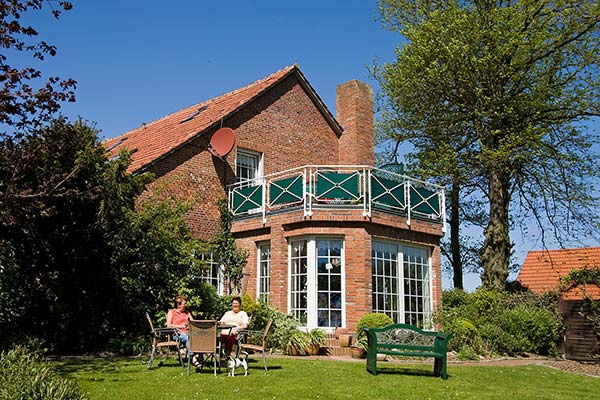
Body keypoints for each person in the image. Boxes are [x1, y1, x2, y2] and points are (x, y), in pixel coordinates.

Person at [166, 295, 201, 367]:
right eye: (184, 303)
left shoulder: (187, 313)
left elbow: (193, 323)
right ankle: (193, 358)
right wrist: (180, 326)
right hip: (177, 334)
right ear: (178, 305)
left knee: (200, 335)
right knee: (186, 337)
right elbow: (168, 325)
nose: (186, 305)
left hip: (188, 332)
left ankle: (201, 356)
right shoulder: (171, 312)